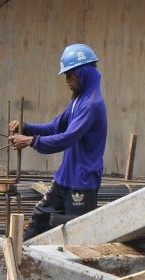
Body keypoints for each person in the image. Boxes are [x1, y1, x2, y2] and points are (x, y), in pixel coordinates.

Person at [9, 43, 107, 238]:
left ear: (83, 72)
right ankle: (20, 260)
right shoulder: (78, 100)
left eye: (70, 74)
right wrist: (26, 127)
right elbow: (55, 127)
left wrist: (30, 141)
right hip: (65, 178)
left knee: (76, 236)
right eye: (65, 75)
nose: (67, 80)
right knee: (40, 219)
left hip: (82, 183)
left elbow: (66, 138)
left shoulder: (91, 104)